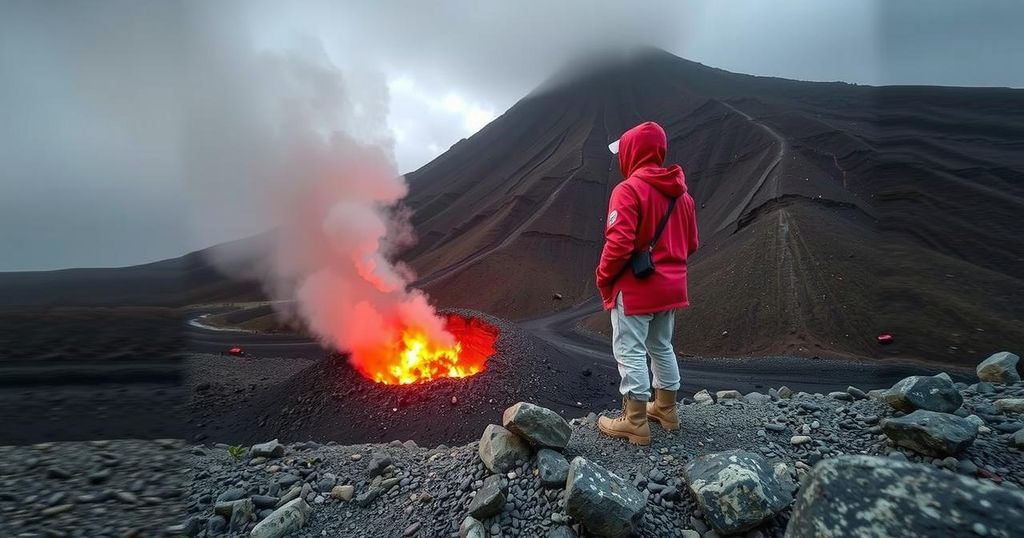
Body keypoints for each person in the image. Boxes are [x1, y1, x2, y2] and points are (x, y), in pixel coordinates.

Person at [595, 121, 699, 446]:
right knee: (661, 346)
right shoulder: (683, 196)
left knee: (630, 350)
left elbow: (619, 243)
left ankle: (635, 421)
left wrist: (603, 276)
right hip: (671, 289)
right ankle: (666, 410)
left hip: (637, 289)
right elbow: (691, 243)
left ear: (632, 152)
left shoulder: (627, 190)